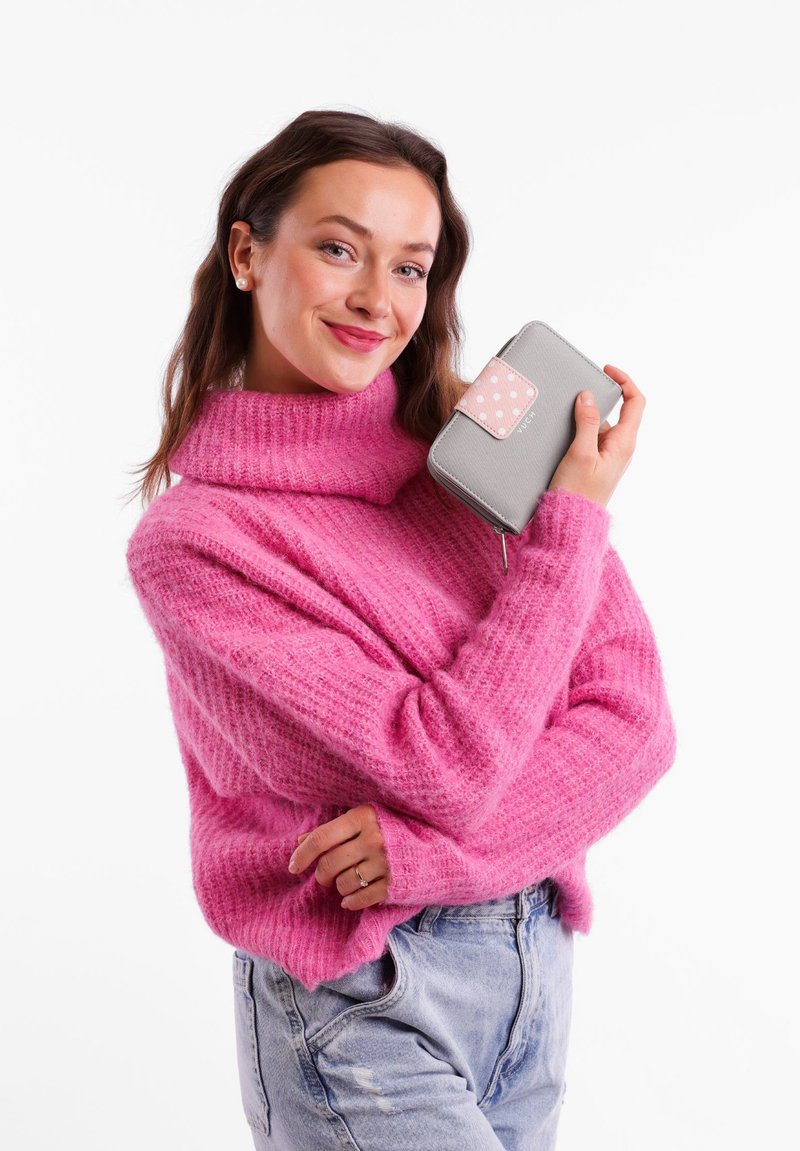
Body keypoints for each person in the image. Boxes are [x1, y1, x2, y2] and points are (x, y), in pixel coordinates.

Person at [124, 108, 677, 1151]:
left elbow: (634, 721)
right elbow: (444, 763)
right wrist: (567, 528)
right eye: (339, 248)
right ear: (248, 251)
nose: (378, 301)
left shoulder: (487, 444)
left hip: (532, 967)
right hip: (357, 991)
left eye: (412, 269)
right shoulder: (198, 542)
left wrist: (437, 860)